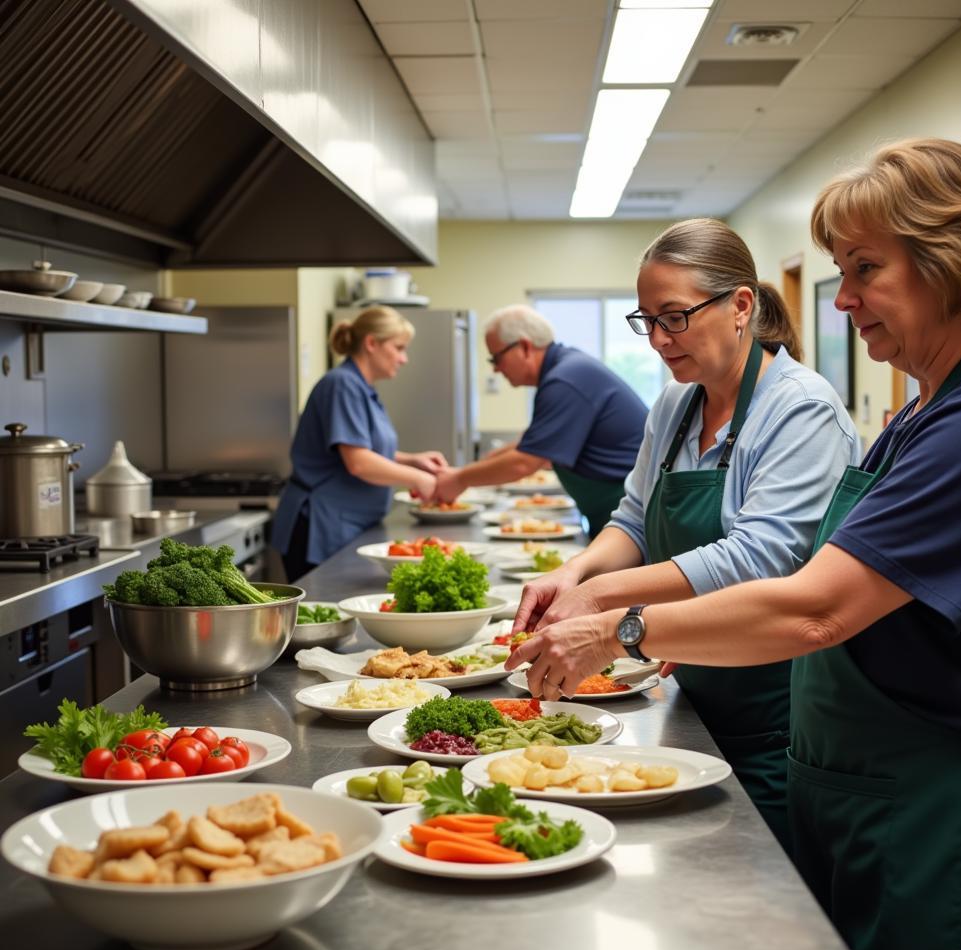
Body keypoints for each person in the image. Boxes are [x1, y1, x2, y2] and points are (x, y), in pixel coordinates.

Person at [507, 139, 961, 950]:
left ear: (955, 263)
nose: (844, 298)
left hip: (946, 818)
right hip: (866, 790)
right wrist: (585, 580)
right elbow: (651, 520)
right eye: (841, 269)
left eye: (866, 269)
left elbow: (818, 602)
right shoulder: (924, 410)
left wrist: (618, 627)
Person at [511, 219, 859, 849]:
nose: (659, 341)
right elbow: (634, 519)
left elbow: (757, 557)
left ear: (741, 306)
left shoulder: (802, 411)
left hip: (776, 718)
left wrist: (603, 599)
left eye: (674, 317)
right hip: (687, 690)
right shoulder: (677, 403)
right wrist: (576, 573)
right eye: (647, 321)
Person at [432, 305, 648, 537]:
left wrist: (459, 480)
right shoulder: (566, 370)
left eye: (496, 358)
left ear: (524, 347)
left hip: (629, 512)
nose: (496, 369)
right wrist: (467, 471)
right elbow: (529, 444)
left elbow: (525, 461)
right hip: (612, 511)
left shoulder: (564, 380)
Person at [271, 305, 448, 581]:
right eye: (399, 348)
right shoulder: (341, 385)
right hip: (320, 525)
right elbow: (358, 462)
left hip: (346, 523)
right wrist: (418, 479)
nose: (404, 359)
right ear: (371, 343)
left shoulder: (361, 388)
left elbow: (360, 448)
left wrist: (412, 460)